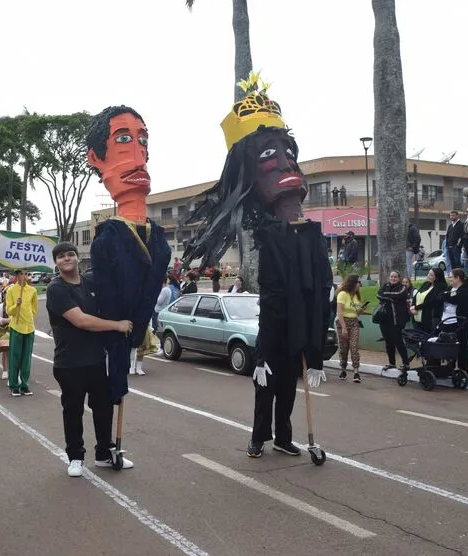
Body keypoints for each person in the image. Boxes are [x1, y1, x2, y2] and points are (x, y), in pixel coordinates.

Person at [180, 72, 330, 458]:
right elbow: (275, 296)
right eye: (268, 156)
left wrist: (313, 348)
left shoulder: (310, 238)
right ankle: (258, 436)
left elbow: (318, 287)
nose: (285, 164)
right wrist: (261, 354)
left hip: (295, 328)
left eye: (289, 154)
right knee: (267, 385)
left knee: (287, 390)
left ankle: (283, 437)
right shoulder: (270, 238)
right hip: (275, 331)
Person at [86, 105, 171, 407]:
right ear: (95, 159)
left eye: (143, 140)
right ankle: (103, 446)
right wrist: (117, 343)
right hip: (104, 341)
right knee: (106, 397)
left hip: (128, 332)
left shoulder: (159, 240)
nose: (138, 156)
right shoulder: (106, 241)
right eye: (123, 140)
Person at [46, 242, 134, 477]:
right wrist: (117, 325)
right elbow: (82, 320)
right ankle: (75, 456)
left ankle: (105, 454)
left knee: (103, 409)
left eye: (71, 254)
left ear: (77, 258)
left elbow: (115, 286)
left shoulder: (91, 282)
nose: (67, 259)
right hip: (69, 363)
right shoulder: (57, 288)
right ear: (56, 262)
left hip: (96, 361)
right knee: (73, 411)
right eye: (61, 256)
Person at [5, 269, 38, 396]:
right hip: (16, 327)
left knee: (26, 358)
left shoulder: (32, 290)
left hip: (29, 327)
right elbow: (9, 311)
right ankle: (14, 385)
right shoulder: (11, 290)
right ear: (16, 275)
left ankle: (24, 385)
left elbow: (34, 309)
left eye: (26, 274)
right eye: (21, 274)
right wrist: (16, 306)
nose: (24, 276)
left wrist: (28, 318)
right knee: (14, 357)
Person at [441, 268, 468, 375]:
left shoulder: (465, 289)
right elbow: (442, 296)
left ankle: (463, 369)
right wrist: (447, 295)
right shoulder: (451, 288)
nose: (449, 279)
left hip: (464, 321)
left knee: (462, 344)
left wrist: (448, 296)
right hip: (450, 321)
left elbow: (456, 299)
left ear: (458, 278)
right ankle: (450, 366)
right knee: (451, 343)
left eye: (451, 277)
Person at [376, 271, 410, 372]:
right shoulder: (385, 285)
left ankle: (405, 363)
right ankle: (392, 363)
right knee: (388, 342)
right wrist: (391, 298)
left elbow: (399, 294)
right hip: (384, 318)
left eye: (395, 277)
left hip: (396, 319)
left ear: (399, 278)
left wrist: (386, 296)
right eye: (391, 276)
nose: (393, 278)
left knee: (398, 341)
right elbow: (378, 295)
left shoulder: (402, 287)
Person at [336, 274, 364, 383]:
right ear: (353, 283)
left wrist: (360, 310)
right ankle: (343, 369)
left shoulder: (356, 296)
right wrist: (343, 327)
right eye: (358, 282)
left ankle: (356, 372)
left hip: (354, 322)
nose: (360, 285)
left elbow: (356, 312)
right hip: (343, 322)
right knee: (343, 348)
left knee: (354, 347)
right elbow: (339, 312)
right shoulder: (343, 294)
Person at [410, 268, 447, 333]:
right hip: (416, 317)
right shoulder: (425, 284)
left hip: (430, 319)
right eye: (428, 274)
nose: (428, 276)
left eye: (431, 275)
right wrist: (413, 307)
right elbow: (416, 296)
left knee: (427, 339)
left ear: (437, 277)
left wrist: (416, 307)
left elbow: (433, 301)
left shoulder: (441, 287)